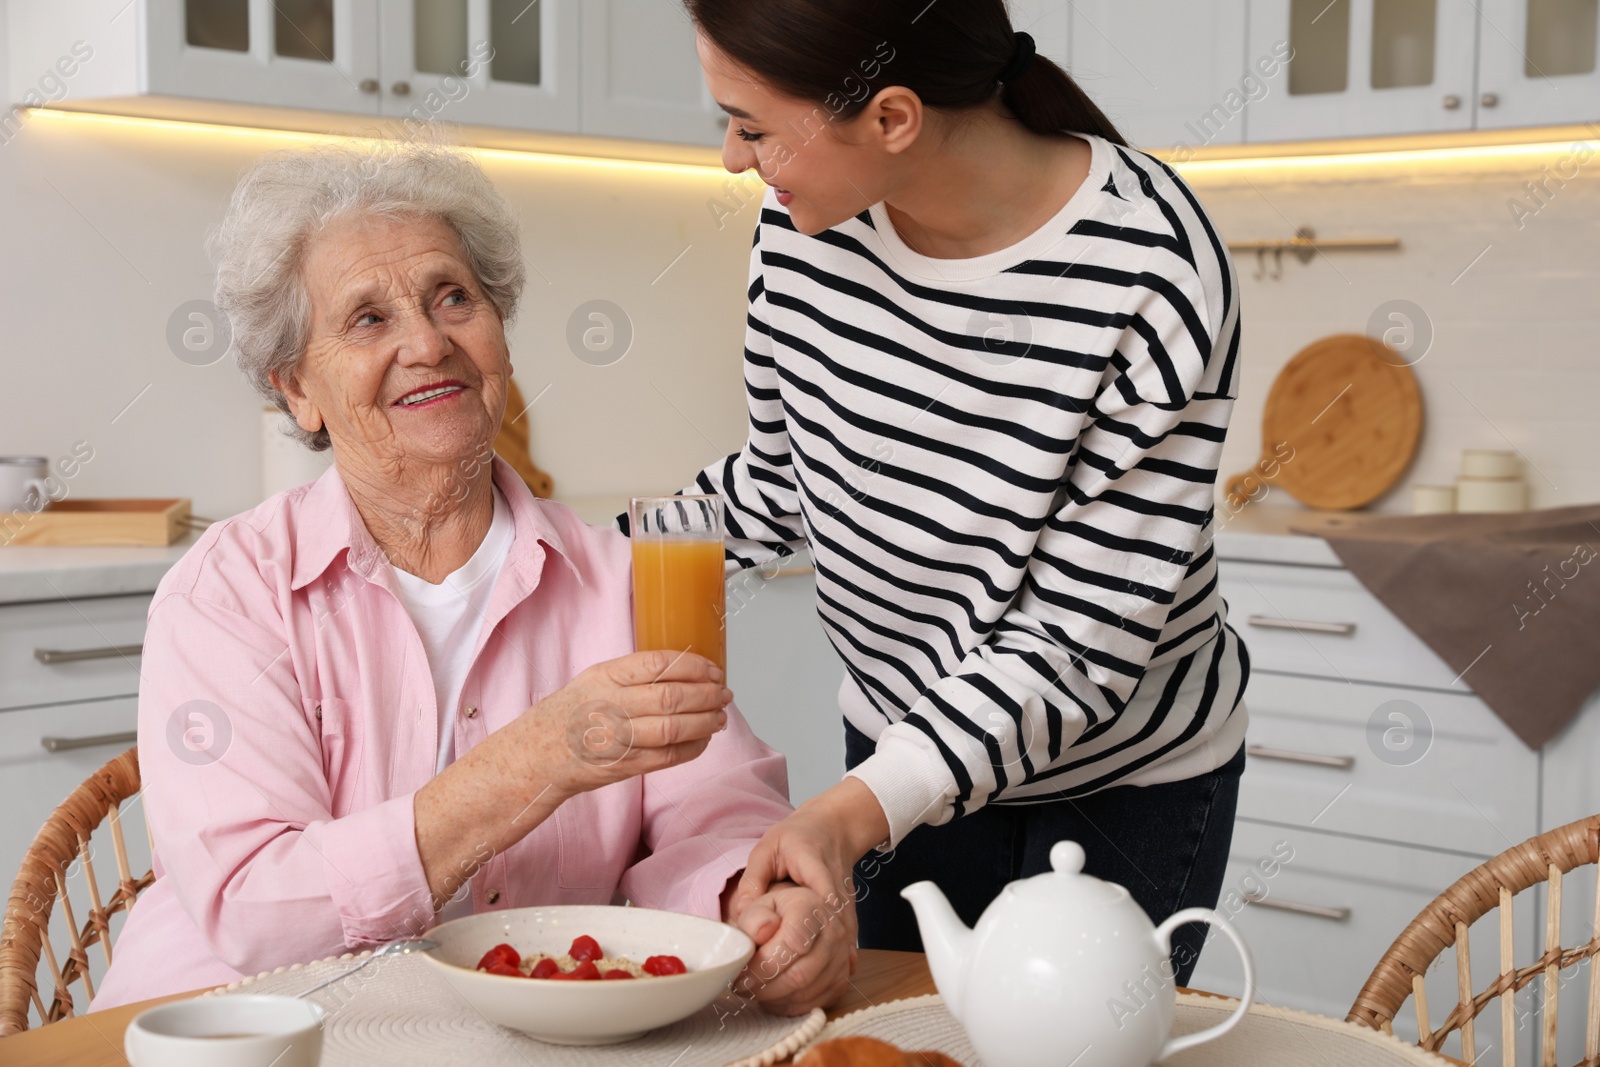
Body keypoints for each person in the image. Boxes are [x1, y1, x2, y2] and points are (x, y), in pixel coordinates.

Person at [91, 142, 851, 1014]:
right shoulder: (227, 595)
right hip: (236, 1033)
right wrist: (536, 761)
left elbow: (712, 808)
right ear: (297, 389)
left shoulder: (621, 577)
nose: (427, 342)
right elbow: (259, 910)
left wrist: (752, 905)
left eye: (455, 297)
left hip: (505, 1033)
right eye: (369, 318)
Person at [658, 0, 1251, 985]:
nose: (731, 157)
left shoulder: (1150, 267)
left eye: (752, 127)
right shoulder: (804, 229)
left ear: (892, 117)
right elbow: (775, 488)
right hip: (901, 755)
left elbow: (1076, 647)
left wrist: (856, 806)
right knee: (899, 1041)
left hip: (1123, 781)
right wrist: (565, 550)